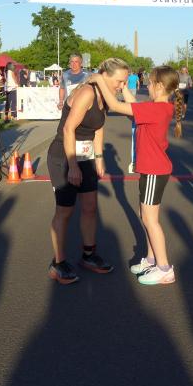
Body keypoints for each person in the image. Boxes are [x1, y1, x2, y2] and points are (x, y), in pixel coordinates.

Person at [89, 65, 184, 286]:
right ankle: (151, 260)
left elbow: (116, 106)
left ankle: (164, 268)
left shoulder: (156, 109)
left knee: (151, 220)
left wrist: (99, 80)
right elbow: (133, 106)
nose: (147, 86)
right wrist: (124, 88)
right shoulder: (159, 107)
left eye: (149, 83)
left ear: (159, 86)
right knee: (147, 217)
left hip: (154, 171)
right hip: (152, 170)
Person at [46, 57, 130, 284]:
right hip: (64, 155)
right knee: (65, 211)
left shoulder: (104, 97)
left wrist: (99, 158)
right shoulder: (87, 93)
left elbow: (99, 127)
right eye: (120, 81)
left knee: (90, 207)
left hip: (86, 156)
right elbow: (68, 129)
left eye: (125, 81)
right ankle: (58, 263)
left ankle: (89, 256)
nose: (122, 86)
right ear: (105, 76)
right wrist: (72, 165)